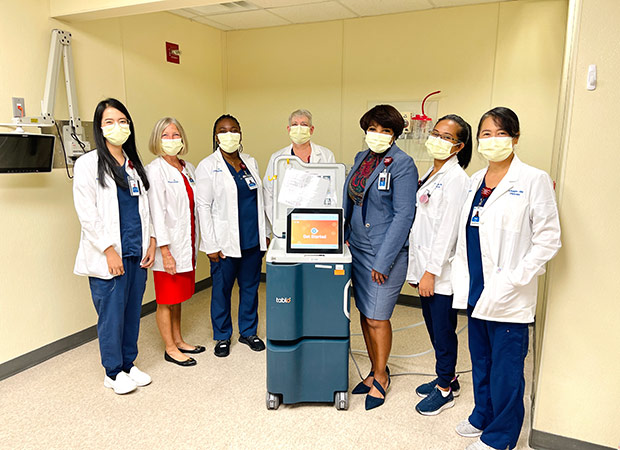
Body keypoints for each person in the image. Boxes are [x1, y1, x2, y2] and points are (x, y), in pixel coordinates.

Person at [451, 107, 561, 450]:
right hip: (476, 288)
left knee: (506, 370)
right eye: (486, 133)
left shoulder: (533, 179)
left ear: (514, 138)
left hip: (509, 293)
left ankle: (501, 437)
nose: (492, 140)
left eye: (500, 133)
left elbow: (548, 238)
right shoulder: (474, 181)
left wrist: (516, 277)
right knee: (480, 361)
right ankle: (482, 415)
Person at [73, 98, 156, 395]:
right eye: (109, 122)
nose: (117, 127)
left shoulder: (133, 165)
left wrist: (152, 242)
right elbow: (88, 214)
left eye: (122, 121)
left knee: (133, 311)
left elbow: (146, 210)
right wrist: (108, 250)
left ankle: (128, 364)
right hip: (109, 254)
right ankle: (112, 371)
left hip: (136, 250)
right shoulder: (87, 165)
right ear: (99, 128)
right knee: (111, 314)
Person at [343, 104, 418, 410]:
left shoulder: (403, 164)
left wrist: (382, 261)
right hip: (357, 248)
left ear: (395, 134)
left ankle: (381, 376)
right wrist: (342, 236)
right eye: (372, 128)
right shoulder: (362, 158)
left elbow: (403, 216)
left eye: (385, 130)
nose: (377, 135)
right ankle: (377, 369)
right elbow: (350, 197)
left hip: (383, 253)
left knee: (378, 316)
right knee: (364, 312)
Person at [407, 114, 472, 416]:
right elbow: (421, 227)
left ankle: (445, 389)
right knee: (435, 328)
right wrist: (416, 271)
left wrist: (431, 272)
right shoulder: (432, 173)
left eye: (446, 137)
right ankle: (450, 378)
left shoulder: (457, 179)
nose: (437, 139)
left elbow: (447, 232)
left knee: (443, 331)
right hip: (426, 270)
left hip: (440, 273)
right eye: (435, 133)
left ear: (458, 146)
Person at [195, 114, 268, 357]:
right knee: (221, 290)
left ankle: (248, 331)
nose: (229, 134)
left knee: (249, 288)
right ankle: (222, 335)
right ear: (216, 136)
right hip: (223, 242)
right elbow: (203, 207)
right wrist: (211, 244)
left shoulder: (250, 162)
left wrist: (265, 233)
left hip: (251, 240)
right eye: (223, 130)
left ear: (240, 134)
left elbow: (261, 199)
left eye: (234, 129)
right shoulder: (208, 165)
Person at [146, 117, 204, 367]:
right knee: (166, 300)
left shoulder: (187, 168)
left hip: (186, 243)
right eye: (166, 135)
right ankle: (170, 348)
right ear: (157, 140)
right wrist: (165, 251)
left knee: (178, 298)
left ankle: (179, 340)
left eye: (176, 134)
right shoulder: (155, 170)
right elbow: (156, 213)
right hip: (168, 247)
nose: (172, 140)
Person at [263, 109, 335, 234]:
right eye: (295, 124)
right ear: (289, 129)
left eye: (304, 124)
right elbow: (268, 193)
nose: (299, 128)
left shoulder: (326, 155)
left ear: (311, 130)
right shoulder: (277, 158)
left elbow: (333, 191)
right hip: (285, 222)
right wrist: (277, 224)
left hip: (319, 221)